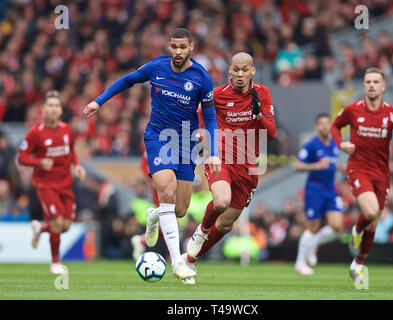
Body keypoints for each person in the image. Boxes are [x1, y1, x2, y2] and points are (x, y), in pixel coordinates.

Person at [83, 28, 221, 281]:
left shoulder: (201, 77)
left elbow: (211, 119)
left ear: (192, 46)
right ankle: (177, 261)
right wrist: (98, 102)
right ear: (169, 46)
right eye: (174, 46)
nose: (178, 52)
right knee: (166, 192)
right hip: (159, 137)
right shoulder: (157, 67)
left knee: (179, 210)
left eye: (183, 47)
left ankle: (154, 214)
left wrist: (214, 152)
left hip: (187, 144)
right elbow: (127, 80)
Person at [183, 52, 276, 284]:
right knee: (221, 201)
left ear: (252, 70)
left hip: (248, 168)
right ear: (230, 71)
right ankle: (201, 231)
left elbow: (271, 134)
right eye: (236, 70)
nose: (241, 74)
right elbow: (201, 119)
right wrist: (205, 145)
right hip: (220, 158)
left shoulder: (262, 93)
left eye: (245, 70)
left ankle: (189, 261)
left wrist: (259, 116)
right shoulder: (216, 95)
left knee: (225, 224)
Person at [330, 67, 393, 285]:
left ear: (383, 86)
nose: (371, 85)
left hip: (381, 173)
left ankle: (357, 265)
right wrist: (342, 144)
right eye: (368, 81)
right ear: (364, 85)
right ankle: (356, 230)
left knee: (373, 223)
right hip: (358, 168)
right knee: (370, 211)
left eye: (375, 82)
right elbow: (335, 127)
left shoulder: (392, 113)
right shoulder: (353, 109)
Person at [18, 90, 86, 274]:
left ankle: (40, 228)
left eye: (57, 106)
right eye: (50, 106)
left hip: (65, 183)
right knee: (57, 222)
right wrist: (39, 162)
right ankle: (55, 262)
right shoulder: (35, 133)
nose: (54, 109)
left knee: (65, 226)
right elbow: (21, 157)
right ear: (44, 109)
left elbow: (71, 150)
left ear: (61, 110)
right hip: (45, 184)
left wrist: (77, 166)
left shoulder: (67, 129)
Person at [293, 113, 343, 275]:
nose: (325, 127)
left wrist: (340, 168)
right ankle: (300, 263)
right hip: (314, 189)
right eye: (321, 124)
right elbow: (297, 166)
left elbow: (331, 165)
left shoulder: (334, 145)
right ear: (316, 127)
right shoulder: (311, 145)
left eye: (328, 123)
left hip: (330, 189)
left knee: (337, 227)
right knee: (313, 227)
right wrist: (316, 166)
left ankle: (312, 245)